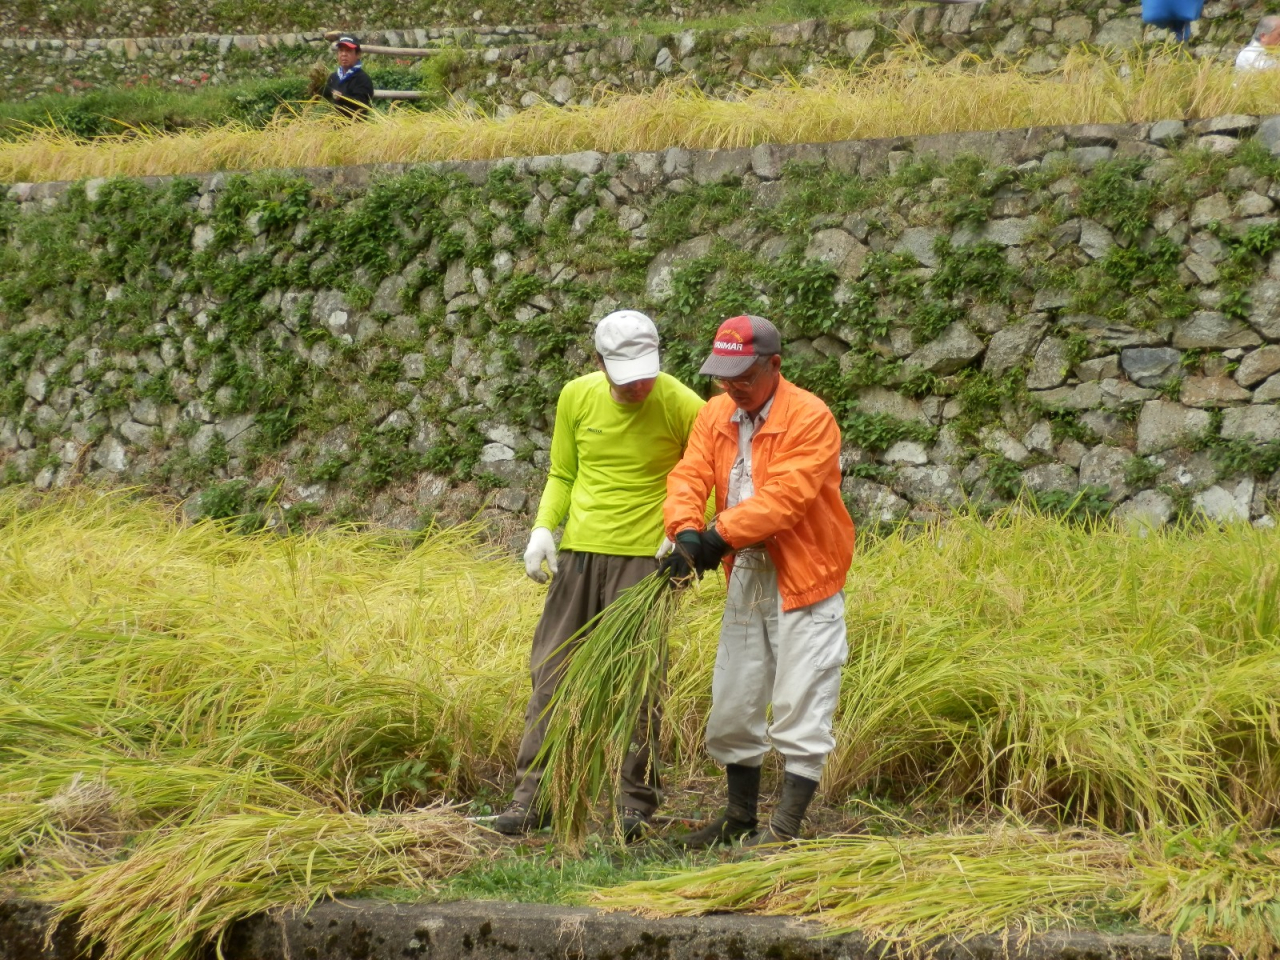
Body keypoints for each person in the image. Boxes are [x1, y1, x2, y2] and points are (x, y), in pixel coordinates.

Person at [495, 310, 706, 840]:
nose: (637, 385)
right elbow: (563, 471)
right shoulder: (576, 396)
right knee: (550, 671)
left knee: (635, 684)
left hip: (647, 559)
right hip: (581, 551)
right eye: (625, 373)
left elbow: (713, 471)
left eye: (645, 372)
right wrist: (544, 527)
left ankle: (634, 803)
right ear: (598, 363)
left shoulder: (682, 403)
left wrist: (686, 529)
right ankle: (533, 797)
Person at [660, 314, 854, 848]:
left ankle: (785, 828)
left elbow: (786, 499)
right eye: (723, 375)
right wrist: (683, 534)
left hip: (806, 573)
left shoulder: (810, 417)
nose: (732, 386)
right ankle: (739, 817)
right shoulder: (717, 413)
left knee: (802, 698)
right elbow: (690, 473)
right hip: (746, 570)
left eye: (743, 375)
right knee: (735, 697)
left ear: (774, 365)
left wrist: (716, 534)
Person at [322, 35, 374, 118]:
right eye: (341, 50)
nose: (343, 54)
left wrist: (341, 97)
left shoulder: (363, 79)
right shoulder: (333, 77)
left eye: (348, 51)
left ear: (358, 55)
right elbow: (325, 99)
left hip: (355, 127)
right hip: (332, 127)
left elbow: (361, 104)